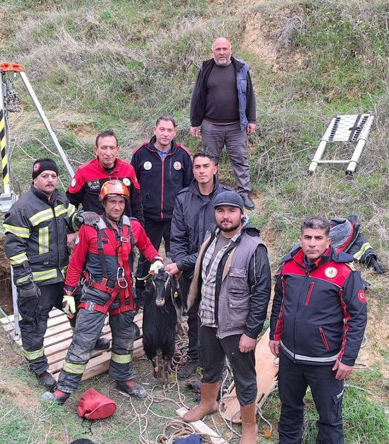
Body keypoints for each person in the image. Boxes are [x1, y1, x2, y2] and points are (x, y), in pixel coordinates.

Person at [42, 180, 164, 404]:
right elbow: (76, 263)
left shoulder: (133, 227)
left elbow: (146, 246)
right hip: (96, 293)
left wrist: (156, 259)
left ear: (125, 204)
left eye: (120, 202)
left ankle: (123, 378)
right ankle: (64, 389)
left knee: (125, 339)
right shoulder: (89, 229)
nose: (116, 207)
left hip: (124, 294)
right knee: (83, 340)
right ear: (103, 203)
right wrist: (68, 293)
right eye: (112, 202)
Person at [180, 191, 270, 444]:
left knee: (244, 377)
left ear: (242, 214)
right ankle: (208, 403)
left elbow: (261, 294)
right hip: (207, 318)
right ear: (215, 213)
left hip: (235, 326)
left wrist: (251, 333)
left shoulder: (254, 248)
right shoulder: (211, 237)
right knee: (210, 365)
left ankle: (249, 426)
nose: (226, 216)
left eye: (232, 211)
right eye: (221, 210)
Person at [269, 216, 368, 443]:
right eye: (307, 237)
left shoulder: (344, 272)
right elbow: (279, 303)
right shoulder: (288, 266)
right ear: (300, 239)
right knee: (290, 410)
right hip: (289, 358)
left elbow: (357, 317)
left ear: (328, 241)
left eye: (318, 238)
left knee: (330, 419)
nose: (312, 243)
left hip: (325, 364)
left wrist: (348, 358)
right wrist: (275, 336)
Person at [2, 158, 77, 392]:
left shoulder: (61, 199)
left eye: (53, 176)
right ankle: (39, 367)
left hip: (62, 276)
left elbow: (71, 218)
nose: (50, 179)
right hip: (37, 282)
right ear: (35, 179)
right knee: (34, 325)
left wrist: (83, 219)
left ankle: (89, 341)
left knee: (77, 308)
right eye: (45, 176)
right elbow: (14, 248)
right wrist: (25, 282)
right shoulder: (22, 209)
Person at [164, 152, 234, 379]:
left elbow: (223, 240)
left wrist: (182, 262)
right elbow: (177, 236)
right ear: (192, 170)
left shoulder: (228, 198)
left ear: (215, 168)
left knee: (220, 314)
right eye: (197, 167)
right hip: (191, 271)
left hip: (221, 268)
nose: (201, 170)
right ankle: (195, 356)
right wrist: (180, 263)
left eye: (206, 166)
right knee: (193, 313)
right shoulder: (183, 198)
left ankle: (218, 361)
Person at [189, 36, 258, 210]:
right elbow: (197, 96)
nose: (221, 53)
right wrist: (195, 122)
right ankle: (213, 194)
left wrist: (251, 119)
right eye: (218, 50)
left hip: (236, 126)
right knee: (210, 162)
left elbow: (249, 95)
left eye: (224, 49)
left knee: (240, 159)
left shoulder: (241, 69)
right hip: (211, 125)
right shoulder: (206, 69)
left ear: (230, 50)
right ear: (212, 52)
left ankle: (243, 193)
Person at [130, 116, 193, 294]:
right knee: (146, 256)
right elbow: (132, 185)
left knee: (177, 256)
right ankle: (141, 291)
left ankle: (177, 292)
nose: (165, 134)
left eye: (169, 130)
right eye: (162, 129)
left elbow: (189, 187)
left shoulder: (183, 155)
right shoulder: (141, 153)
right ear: (154, 130)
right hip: (148, 217)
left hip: (175, 218)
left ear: (175, 132)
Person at [67, 130, 144, 223]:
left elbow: (136, 204)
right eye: (104, 148)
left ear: (117, 150)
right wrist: (71, 230)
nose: (108, 153)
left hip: (123, 232)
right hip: (94, 231)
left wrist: (139, 229)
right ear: (96, 150)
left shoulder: (128, 170)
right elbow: (70, 202)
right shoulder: (84, 171)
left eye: (112, 148)